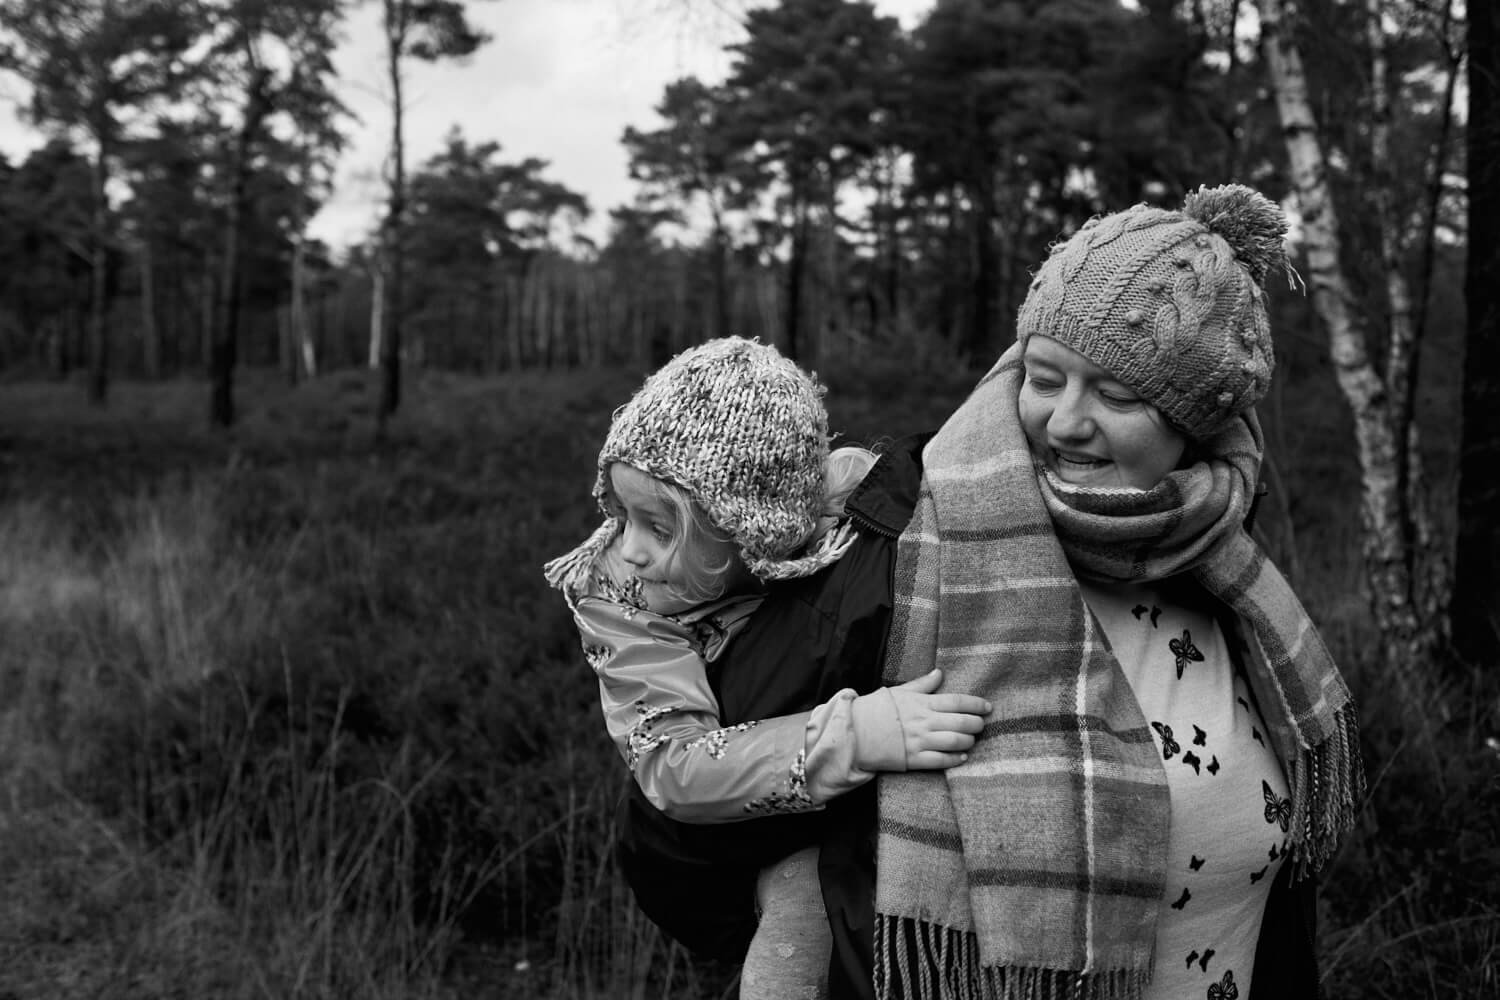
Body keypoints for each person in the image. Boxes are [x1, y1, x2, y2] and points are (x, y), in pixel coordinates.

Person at [870, 184, 1367, 1000]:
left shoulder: (1224, 565)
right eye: (1043, 377)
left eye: (1118, 394)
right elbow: (697, 846)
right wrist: (832, 741)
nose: (1064, 422)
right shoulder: (910, 549)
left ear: (1192, 425)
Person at [543, 337, 990, 1000]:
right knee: (797, 923)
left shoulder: (830, 518)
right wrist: (851, 737)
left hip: (853, 815)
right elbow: (673, 761)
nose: (628, 549)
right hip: (741, 841)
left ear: (756, 528)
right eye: (620, 513)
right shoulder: (619, 597)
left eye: (659, 527)